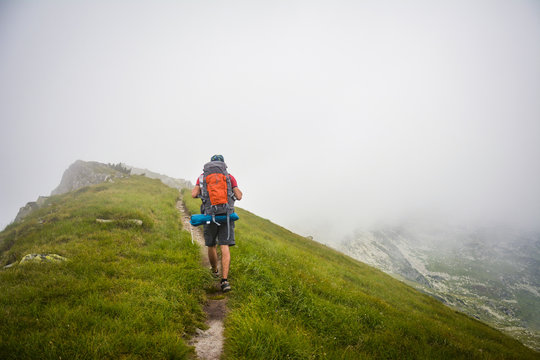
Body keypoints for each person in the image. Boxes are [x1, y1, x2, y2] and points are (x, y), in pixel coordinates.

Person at [191, 154, 242, 292]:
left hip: (208, 215)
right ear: (223, 165)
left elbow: (193, 194)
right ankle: (224, 281)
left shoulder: (202, 177)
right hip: (226, 216)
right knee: (224, 246)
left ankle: (214, 271)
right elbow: (239, 196)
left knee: (211, 245)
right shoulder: (229, 177)